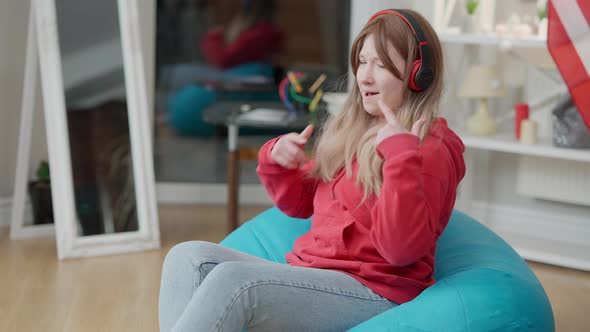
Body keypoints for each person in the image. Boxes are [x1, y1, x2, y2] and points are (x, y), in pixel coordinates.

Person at [158, 8, 466, 332]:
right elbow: (303, 205)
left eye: (382, 64)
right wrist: (280, 162)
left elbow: (401, 250)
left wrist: (400, 157)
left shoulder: (429, 148)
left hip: (376, 290)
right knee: (186, 257)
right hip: (314, 271)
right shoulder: (358, 127)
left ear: (419, 74)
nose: (365, 76)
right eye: (362, 61)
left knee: (234, 282)